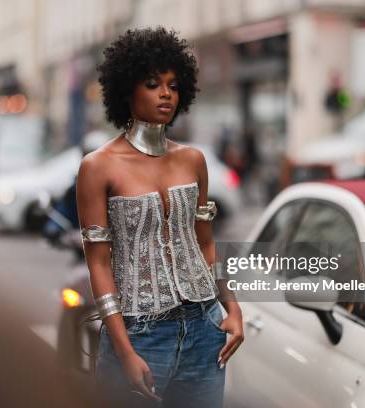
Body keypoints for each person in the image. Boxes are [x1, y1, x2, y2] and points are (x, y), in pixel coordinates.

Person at [76, 27, 243, 408]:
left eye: (173, 84)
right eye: (153, 84)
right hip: (139, 333)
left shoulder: (193, 160)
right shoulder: (98, 167)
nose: (166, 93)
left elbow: (205, 244)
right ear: (126, 89)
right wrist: (123, 350)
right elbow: (99, 265)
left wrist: (232, 308)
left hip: (205, 327)